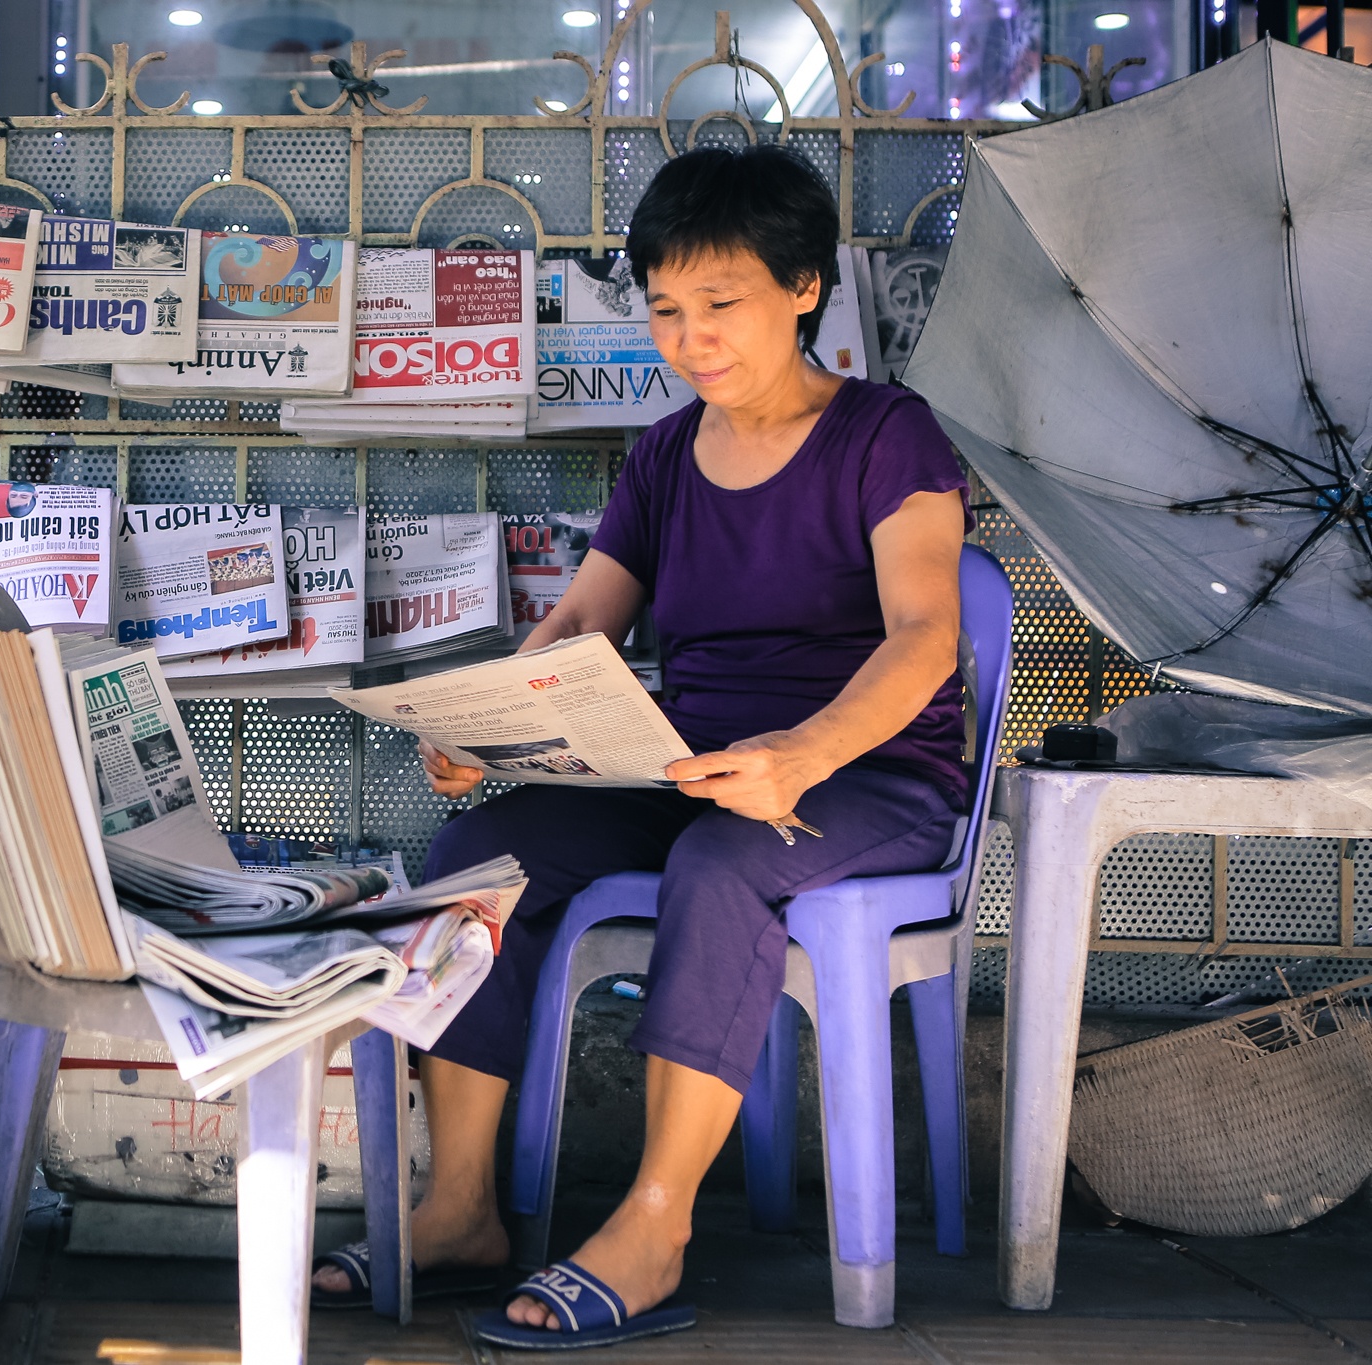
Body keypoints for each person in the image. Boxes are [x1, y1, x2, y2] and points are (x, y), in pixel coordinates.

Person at [312, 144, 973, 1351]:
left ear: (804, 288)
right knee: (476, 856)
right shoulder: (665, 454)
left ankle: (654, 1226)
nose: (689, 338)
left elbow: (926, 638)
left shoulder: (888, 435)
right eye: (665, 310)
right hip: (691, 769)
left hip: (866, 779)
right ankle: (458, 1210)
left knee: (720, 865)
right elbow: (579, 626)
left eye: (719, 303)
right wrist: (493, 736)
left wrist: (801, 755)